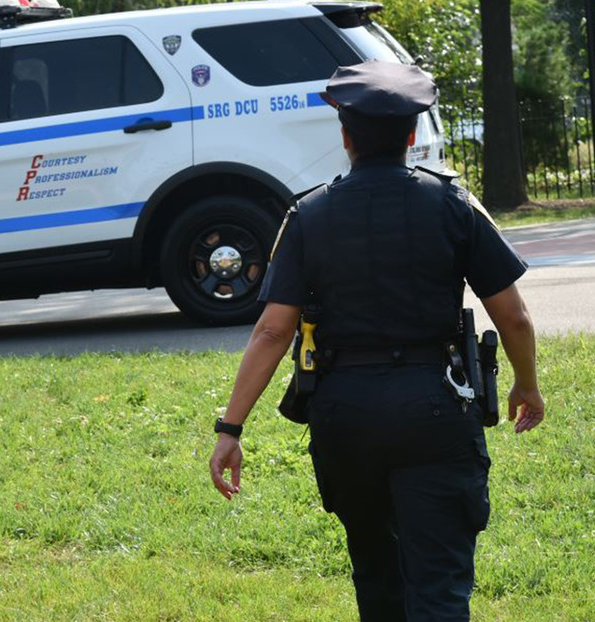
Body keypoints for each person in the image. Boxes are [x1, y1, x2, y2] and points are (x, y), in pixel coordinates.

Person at [207, 61, 545, 621]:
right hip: (436, 410)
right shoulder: (455, 205)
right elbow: (513, 317)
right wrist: (526, 386)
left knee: (377, 580)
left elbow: (272, 330)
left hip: (346, 418)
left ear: (345, 135)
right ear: (411, 136)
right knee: (438, 589)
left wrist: (230, 428)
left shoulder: (308, 214)